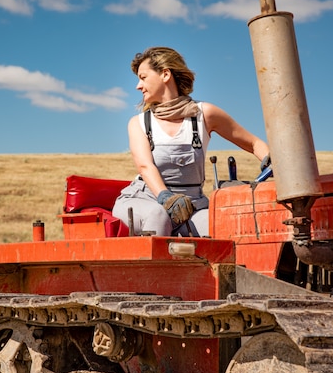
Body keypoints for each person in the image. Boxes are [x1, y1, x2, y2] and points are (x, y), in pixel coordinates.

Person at [112, 46, 270, 237]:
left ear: (165, 74)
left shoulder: (205, 114)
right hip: (145, 200)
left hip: (191, 206)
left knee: (220, 229)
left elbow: (254, 144)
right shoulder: (139, 123)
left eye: (143, 77)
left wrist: (273, 162)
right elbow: (145, 167)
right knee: (158, 215)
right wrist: (165, 197)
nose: (138, 86)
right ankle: (152, 267)